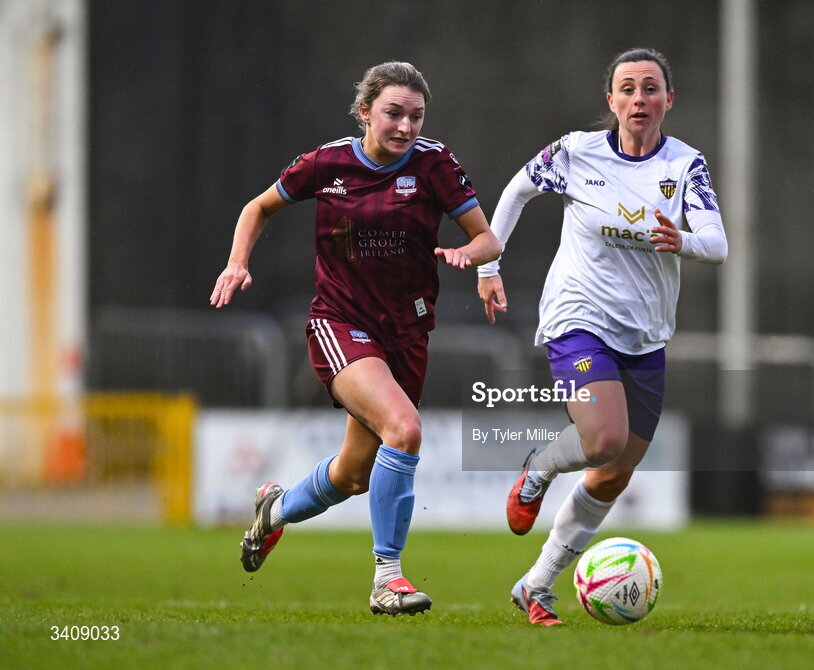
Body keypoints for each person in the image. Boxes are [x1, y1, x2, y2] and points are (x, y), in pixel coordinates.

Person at [210, 61, 501, 616]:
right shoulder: (328, 163)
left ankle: (273, 510)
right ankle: (387, 578)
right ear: (365, 111)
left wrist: (473, 256)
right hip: (341, 323)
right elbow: (259, 206)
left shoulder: (436, 164)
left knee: (352, 475)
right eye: (393, 113)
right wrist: (236, 262)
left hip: (407, 332)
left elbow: (487, 238)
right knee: (405, 428)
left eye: (416, 116)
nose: (406, 126)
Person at [477, 47, 727, 625]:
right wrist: (490, 267)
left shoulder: (685, 166)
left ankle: (536, 586)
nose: (639, 99)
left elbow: (718, 245)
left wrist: (681, 240)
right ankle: (538, 468)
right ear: (609, 101)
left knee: (612, 473)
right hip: (577, 317)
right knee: (603, 439)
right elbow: (516, 191)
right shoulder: (575, 151)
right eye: (628, 89)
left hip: (645, 335)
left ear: (669, 100)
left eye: (650, 89)